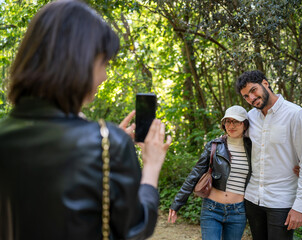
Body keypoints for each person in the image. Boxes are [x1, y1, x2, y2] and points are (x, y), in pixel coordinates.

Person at [0, 0, 171, 239]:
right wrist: (151, 165)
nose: (104, 76)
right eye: (104, 63)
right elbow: (135, 228)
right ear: (80, 63)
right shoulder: (107, 145)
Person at [235, 70, 302, 240]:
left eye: (253, 90)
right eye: (246, 96)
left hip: (281, 201)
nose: (251, 98)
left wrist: (300, 207)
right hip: (252, 199)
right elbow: (235, 143)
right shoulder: (250, 118)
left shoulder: (295, 114)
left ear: (265, 84)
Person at [168, 105, 252, 240]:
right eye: (228, 121)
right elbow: (195, 174)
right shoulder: (214, 146)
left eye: (236, 121)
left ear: (245, 124)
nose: (231, 125)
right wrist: (177, 203)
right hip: (212, 209)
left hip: (238, 212)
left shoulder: (253, 148)